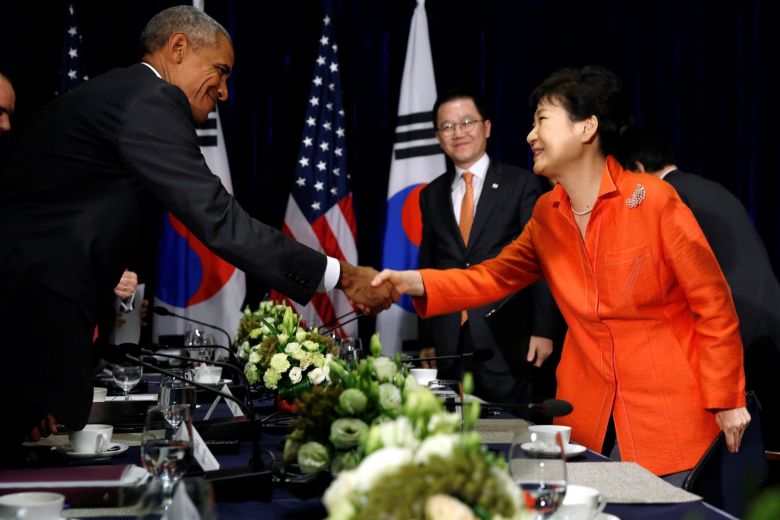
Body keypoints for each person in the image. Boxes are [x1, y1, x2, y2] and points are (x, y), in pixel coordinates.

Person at [0, 5, 395, 455]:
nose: (225, 91)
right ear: (178, 47)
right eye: (220, 71)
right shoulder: (151, 98)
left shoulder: (113, 94)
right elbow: (219, 219)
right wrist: (342, 276)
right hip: (26, 321)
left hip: (33, 318)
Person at [373, 66, 749, 482]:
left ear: (587, 127)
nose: (530, 136)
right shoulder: (547, 213)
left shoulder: (654, 200)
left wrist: (726, 399)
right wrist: (413, 281)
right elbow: (491, 278)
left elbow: (713, 304)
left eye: (542, 121)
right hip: (586, 415)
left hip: (667, 414)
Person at [619, 128, 780, 450]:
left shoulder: (668, 198)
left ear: (636, 169)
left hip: (736, 330)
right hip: (768, 320)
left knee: (728, 447)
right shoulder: (707, 187)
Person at [418, 87, 561, 405]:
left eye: (467, 121)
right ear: (439, 137)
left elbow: (541, 261)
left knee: (509, 437)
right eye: (447, 126)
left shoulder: (521, 183)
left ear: (486, 127)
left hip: (508, 337)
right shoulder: (430, 195)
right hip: (448, 341)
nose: (458, 132)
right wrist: (426, 338)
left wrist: (543, 329)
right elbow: (428, 266)